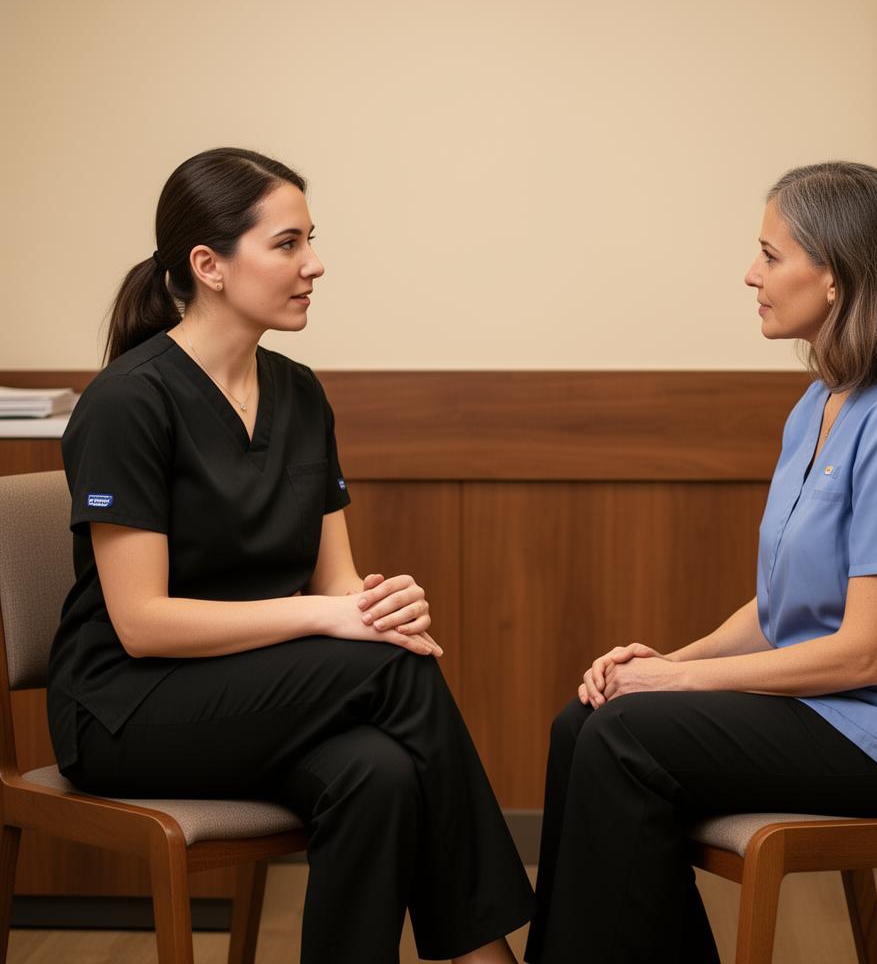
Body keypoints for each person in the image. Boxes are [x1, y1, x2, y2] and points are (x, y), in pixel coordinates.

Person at [48, 147, 533, 964]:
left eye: (311, 240)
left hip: (253, 693)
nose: (314, 264)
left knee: (378, 772)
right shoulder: (127, 403)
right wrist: (333, 618)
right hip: (125, 708)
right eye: (287, 243)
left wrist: (374, 607)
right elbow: (141, 625)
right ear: (209, 265)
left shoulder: (300, 393)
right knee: (396, 669)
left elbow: (336, 581)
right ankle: (487, 957)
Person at [524, 161, 877, 964]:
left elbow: (864, 650)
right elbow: (779, 604)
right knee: (588, 723)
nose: (752, 274)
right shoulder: (822, 401)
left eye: (772, 255)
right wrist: (664, 660)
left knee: (628, 738)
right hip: (841, 712)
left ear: (839, 277)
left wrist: (674, 684)